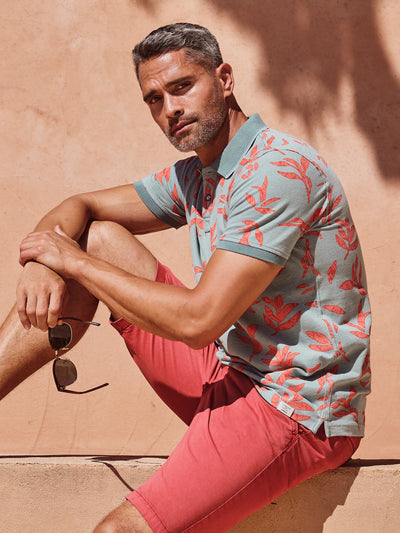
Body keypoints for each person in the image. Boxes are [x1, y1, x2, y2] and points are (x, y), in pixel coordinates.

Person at [0, 22, 371, 533]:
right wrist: (44, 263)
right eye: (154, 99)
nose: (169, 109)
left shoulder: (277, 172)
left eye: (182, 87)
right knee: (98, 236)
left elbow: (199, 322)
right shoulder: (197, 174)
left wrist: (73, 263)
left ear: (224, 79)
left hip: (296, 407)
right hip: (228, 370)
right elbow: (80, 206)